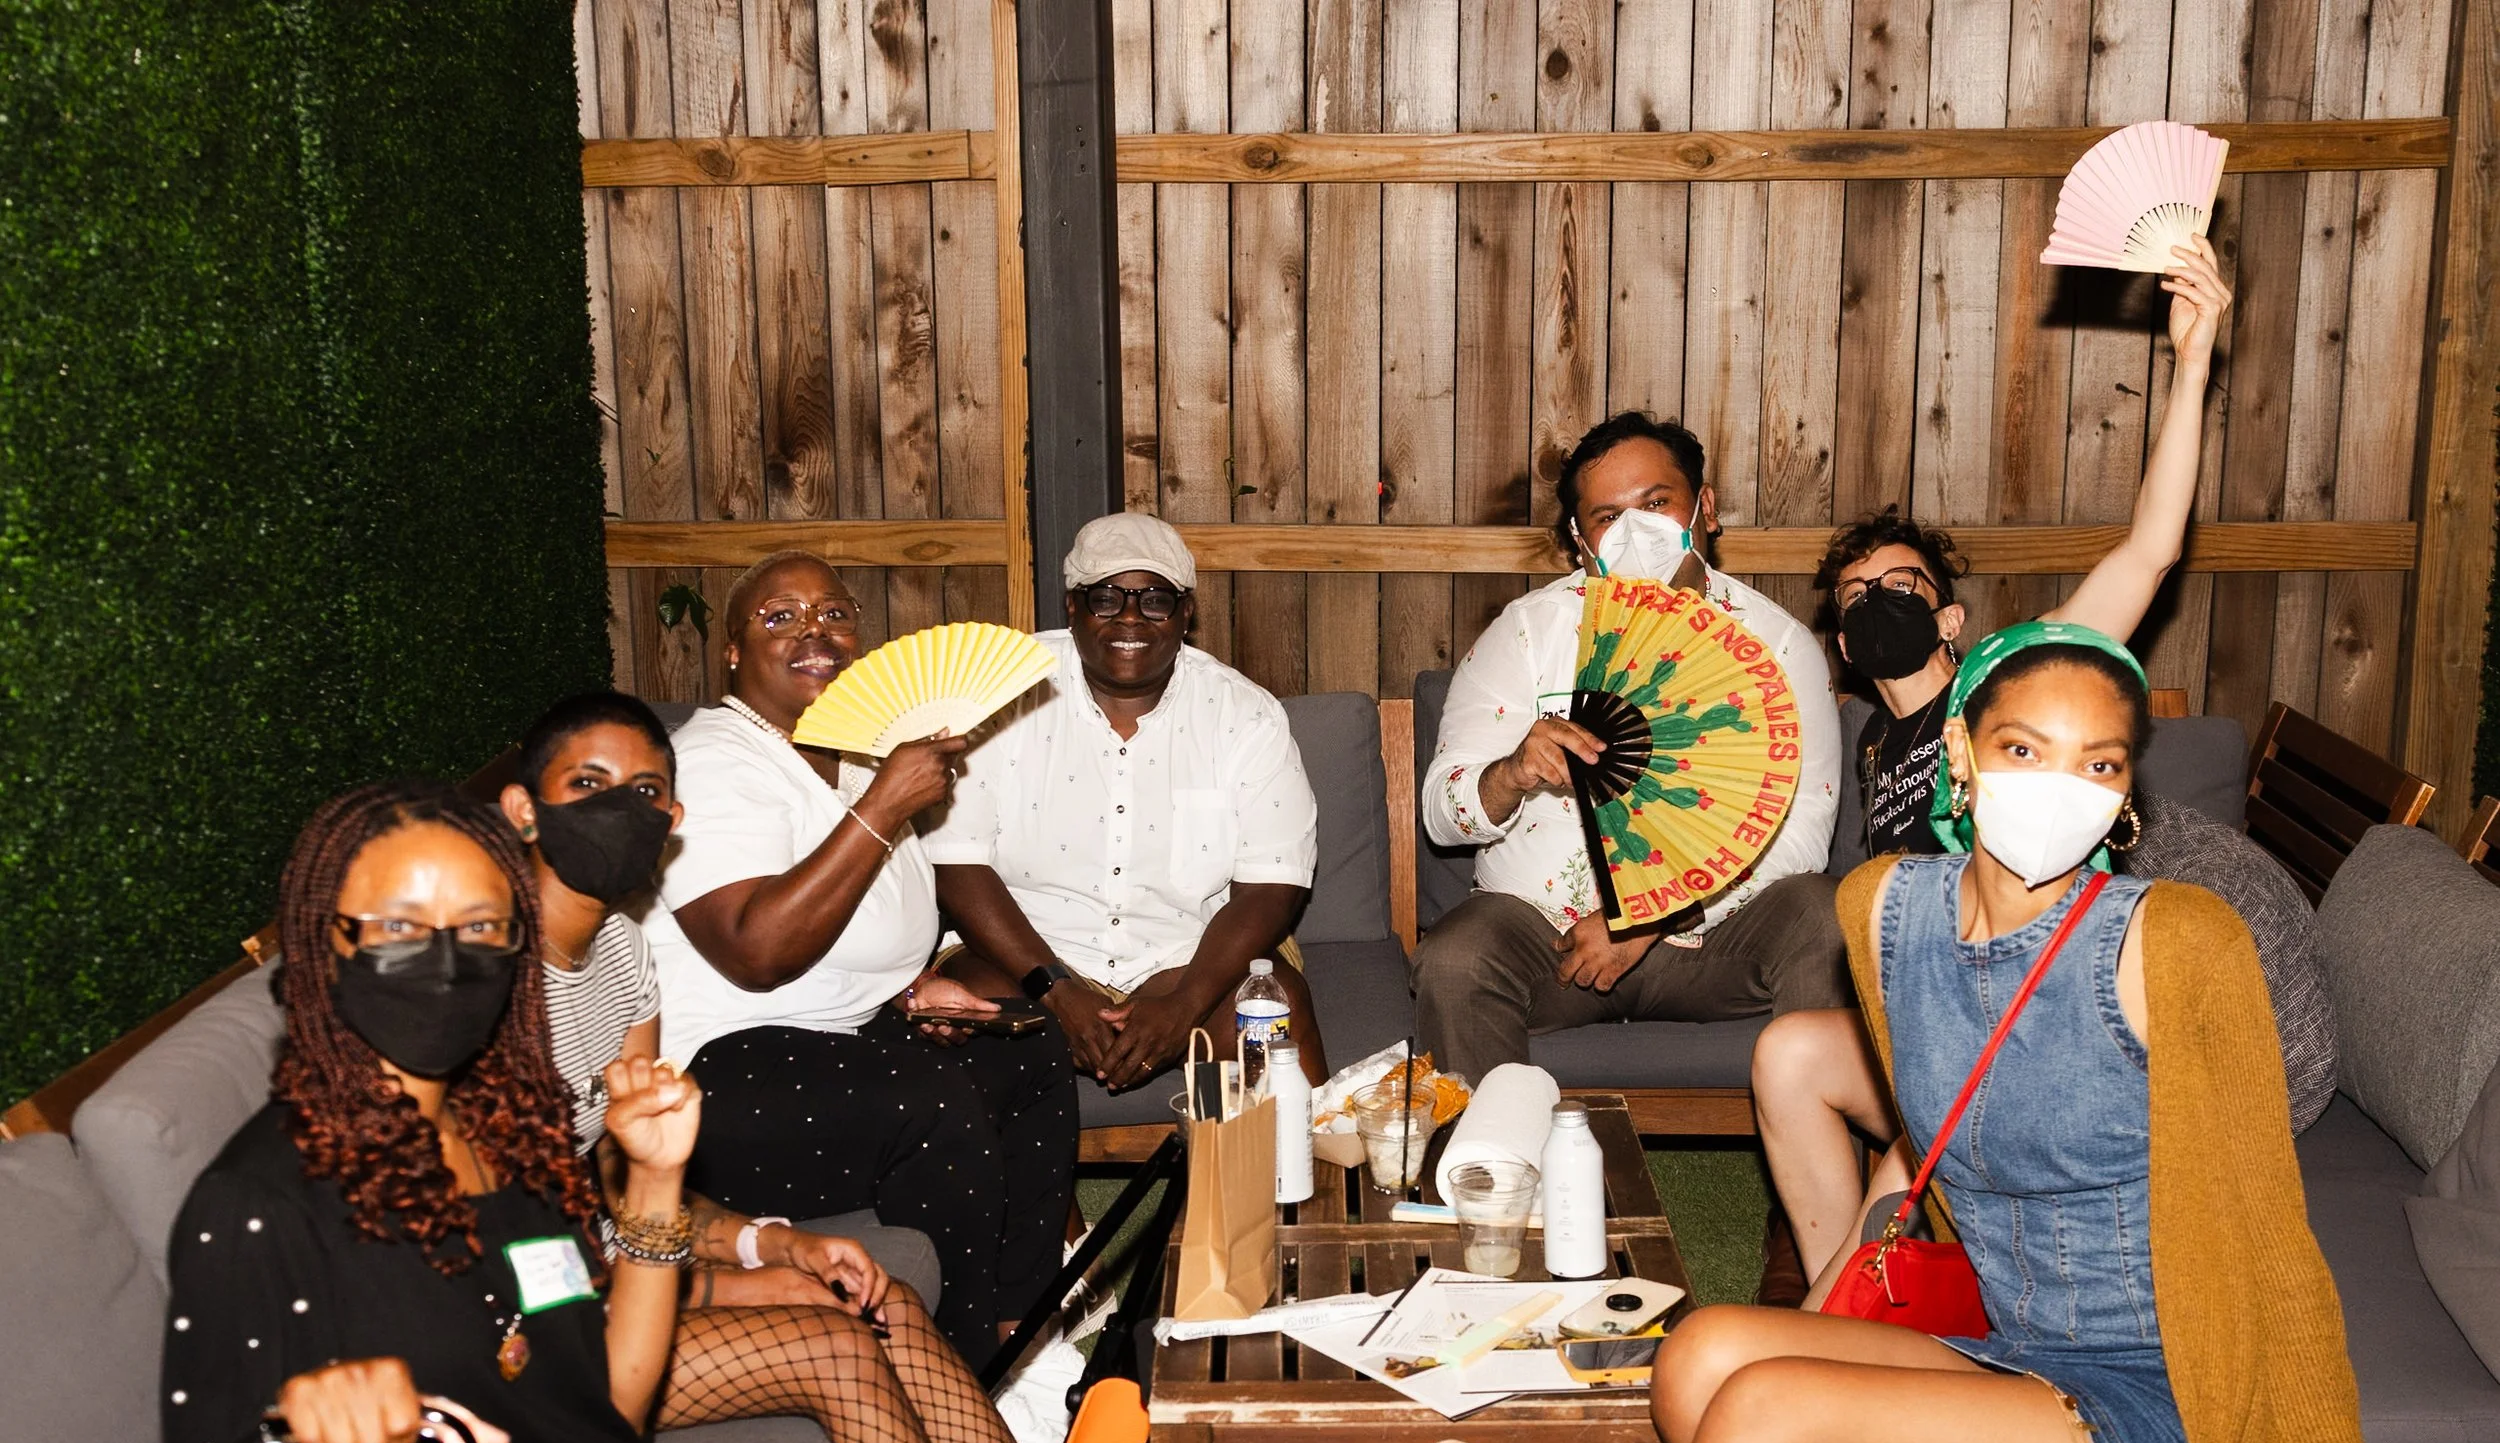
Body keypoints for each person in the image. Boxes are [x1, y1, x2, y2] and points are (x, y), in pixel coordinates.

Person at [1624, 625, 2500, 1443]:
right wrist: (1841, 1311)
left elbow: (2275, 1243)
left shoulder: (2180, 940)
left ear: (2127, 791)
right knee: (1699, 1358)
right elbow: (1936, 1145)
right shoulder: (1882, 909)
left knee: (1766, 1410)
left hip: (2172, 1409)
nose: (2058, 789)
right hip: (2016, 1349)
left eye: (2098, 764)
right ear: (1961, 752)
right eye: (2023, 749)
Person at [163, 780, 1018, 1443]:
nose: (447, 959)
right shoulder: (256, 1207)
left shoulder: (511, 1128)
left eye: (481, 926)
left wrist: (653, 1184)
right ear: (323, 942)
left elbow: (611, 1405)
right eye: (400, 927)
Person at [500, 690, 1146, 1443]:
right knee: (835, 1343)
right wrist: (705, 1281)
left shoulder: (623, 955)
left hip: (606, 1268)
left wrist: (772, 1244)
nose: (620, 812)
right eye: (589, 785)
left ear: (674, 820)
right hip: (523, 1330)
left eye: (645, 792)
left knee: (875, 1299)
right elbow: (519, 1250)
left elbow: (628, 1186)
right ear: (524, 808)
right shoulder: (489, 979)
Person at [1753, 239, 2265, 1293]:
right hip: (1936, 1010)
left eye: (1900, 586)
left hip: (2031, 1019)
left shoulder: (2003, 689)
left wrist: (2193, 363)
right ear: (1844, 643)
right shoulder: (1874, 739)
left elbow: (2148, 554)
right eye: (1855, 598)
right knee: (1788, 1053)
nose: (1876, 603)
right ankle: (1854, 1294)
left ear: (1948, 618)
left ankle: (1846, 1307)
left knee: (1886, 1213)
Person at [639, 553, 1078, 1359]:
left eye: (835, 614)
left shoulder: (854, 758)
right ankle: (965, 1368)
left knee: (1028, 1047)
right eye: (780, 617)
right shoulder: (711, 761)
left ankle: (1026, 1337)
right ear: (731, 650)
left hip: (842, 1034)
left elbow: (860, 920)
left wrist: (912, 991)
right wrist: (884, 805)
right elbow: (757, 951)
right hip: (717, 1077)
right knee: (936, 1102)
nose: (815, 632)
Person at [1412, 412, 1849, 1084]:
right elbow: (1442, 816)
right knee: (1455, 957)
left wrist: (1643, 920)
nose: (1636, 531)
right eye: (1608, 516)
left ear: (1705, 508)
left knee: (1823, 916)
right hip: (1548, 937)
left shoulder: (1779, 646)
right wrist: (1511, 772)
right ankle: (1490, 1151)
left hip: (1713, 939)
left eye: (1656, 502)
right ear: (1578, 540)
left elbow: (1803, 834)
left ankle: (1817, 1149)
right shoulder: (1527, 633)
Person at [928, 512, 1326, 1092]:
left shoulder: (1245, 715)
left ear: (1186, 614)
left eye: (1155, 600)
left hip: (1187, 959)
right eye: (1107, 598)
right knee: (961, 1011)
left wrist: (1185, 1006)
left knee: (1273, 1009)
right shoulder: (999, 694)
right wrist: (1056, 989)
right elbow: (956, 864)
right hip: (1027, 961)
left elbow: (1272, 885)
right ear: (1073, 607)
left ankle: (1295, 1154)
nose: (1130, 618)